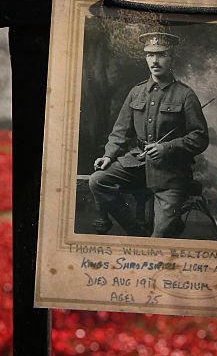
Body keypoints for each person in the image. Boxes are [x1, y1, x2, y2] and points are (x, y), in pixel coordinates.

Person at [88, 31, 209, 238]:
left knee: (160, 237)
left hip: (171, 175)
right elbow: (120, 131)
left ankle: (155, 234)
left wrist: (167, 147)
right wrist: (108, 156)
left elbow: (200, 137)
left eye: (161, 54)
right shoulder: (137, 92)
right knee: (97, 180)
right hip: (138, 166)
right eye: (150, 55)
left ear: (171, 58)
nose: (155, 60)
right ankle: (136, 231)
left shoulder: (185, 95)